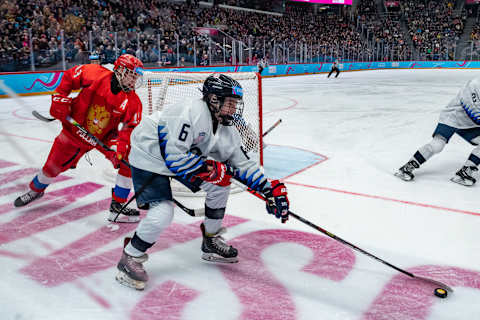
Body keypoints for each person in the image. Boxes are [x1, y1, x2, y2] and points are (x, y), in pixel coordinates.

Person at [115, 73, 290, 290]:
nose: (234, 109)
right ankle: (130, 256)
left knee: (221, 184)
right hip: (149, 156)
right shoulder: (190, 114)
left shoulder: (226, 128)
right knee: (163, 213)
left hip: (179, 156)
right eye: (230, 103)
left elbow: (243, 164)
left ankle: (210, 240)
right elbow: (175, 159)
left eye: (236, 104)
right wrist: (211, 168)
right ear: (214, 99)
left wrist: (269, 189)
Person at [14, 54, 145, 223]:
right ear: (120, 70)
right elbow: (69, 76)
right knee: (51, 167)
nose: (134, 81)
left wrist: (120, 148)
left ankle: (117, 207)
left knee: (129, 157)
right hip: (74, 131)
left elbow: (129, 128)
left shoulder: (133, 102)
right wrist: (60, 97)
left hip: (104, 137)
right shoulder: (96, 74)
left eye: (136, 77)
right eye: (132, 75)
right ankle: (36, 190)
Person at [395, 77, 480, 186]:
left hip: (470, 125)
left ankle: (464, 172)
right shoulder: (475, 84)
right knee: (437, 145)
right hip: (453, 116)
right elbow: (473, 111)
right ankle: (407, 167)